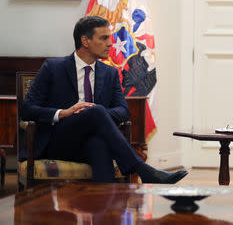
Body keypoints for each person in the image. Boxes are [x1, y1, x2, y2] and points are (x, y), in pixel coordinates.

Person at [20, 16, 188, 184]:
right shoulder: (53, 68)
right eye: (104, 38)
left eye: (110, 38)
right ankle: (143, 170)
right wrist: (64, 113)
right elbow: (26, 109)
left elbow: (123, 111)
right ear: (85, 40)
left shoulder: (110, 73)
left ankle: (106, 205)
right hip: (58, 142)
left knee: (99, 144)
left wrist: (93, 114)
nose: (110, 43)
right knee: (96, 113)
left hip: (89, 142)